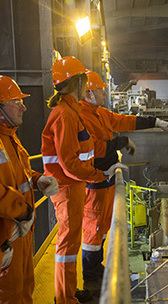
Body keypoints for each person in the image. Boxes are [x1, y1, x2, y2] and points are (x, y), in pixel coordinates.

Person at [41, 57, 127, 304]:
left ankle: (67, 291)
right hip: (68, 188)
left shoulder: (71, 112)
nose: (88, 86)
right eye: (84, 81)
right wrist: (100, 175)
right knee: (67, 247)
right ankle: (64, 297)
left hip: (74, 187)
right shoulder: (65, 115)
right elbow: (69, 163)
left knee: (70, 246)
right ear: (76, 82)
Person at [79, 70, 168, 296]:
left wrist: (154, 121)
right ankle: (90, 275)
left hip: (106, 179)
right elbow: (97, 149)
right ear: (89, 93)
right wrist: (123, 141)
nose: (103, 92)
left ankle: (95, 268)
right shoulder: (83, 117)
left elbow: (123, 120)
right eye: (100, 89)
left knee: (100, 229)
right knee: (93, 230)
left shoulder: (98, 113)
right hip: (95, 181)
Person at [0, 76, 58, 303]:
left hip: (20, 233)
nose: (23, 107)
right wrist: (21, 210)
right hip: (7, 235)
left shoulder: (10, 139)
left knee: (25, 289)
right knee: (11, 295)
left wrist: (38, 180)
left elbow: (17, 177)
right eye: (16, 101)